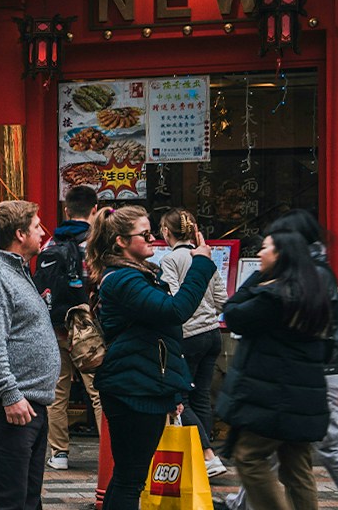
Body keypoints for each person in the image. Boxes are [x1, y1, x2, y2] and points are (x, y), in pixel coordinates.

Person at [89, 205, 215, 510]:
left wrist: (173, 391)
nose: (152, 239)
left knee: (128, 476)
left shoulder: (137, 275)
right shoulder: (124, 280)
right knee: (131, 479)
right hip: (133, 388)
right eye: (144, 235)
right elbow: (175, 311)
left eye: (152, 233)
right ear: (121, 241)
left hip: (141, 382)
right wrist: (200, 264)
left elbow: (159, 335)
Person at [259, 210, 338, 510]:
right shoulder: (313, 268)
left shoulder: (312, 273)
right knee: (269, 442)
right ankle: (243, 501)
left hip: (320, 370)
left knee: (333, 445)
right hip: (317, 368)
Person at [219, 226, 333, 510]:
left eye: (266, 248)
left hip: (274, 397)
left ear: (281, 255)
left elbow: (233, 313)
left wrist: (257, 277)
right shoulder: (310, 293)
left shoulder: (273, 297)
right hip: (303, 397)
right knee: (297, 468)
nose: (259, 253)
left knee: (249, 457)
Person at [0, 200, 60, 510]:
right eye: (36, 227)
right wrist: (9, 394)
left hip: (29, 401)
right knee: (6, 497)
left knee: (27, 497)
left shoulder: (17, 272)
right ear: (20, 234)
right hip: (7, 404)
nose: (43, 232)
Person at [33, 184, 103, 472]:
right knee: (99, 391)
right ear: (95, 209)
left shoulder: (50, 244)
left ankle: (59, 452)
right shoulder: (97, 243)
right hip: (88, 329)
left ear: (66, 210)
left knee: (57, 391)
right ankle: (109, 450)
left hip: (56, 326)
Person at [158, 207, 228, 477]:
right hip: (212, 334)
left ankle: (208, 455)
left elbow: (175, 299)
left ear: (166, 232)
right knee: (201, 397)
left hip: (188, 336)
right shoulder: (204, 257)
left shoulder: (169, 260)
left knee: (181, 399)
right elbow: (221, 298)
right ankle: (202, 457)